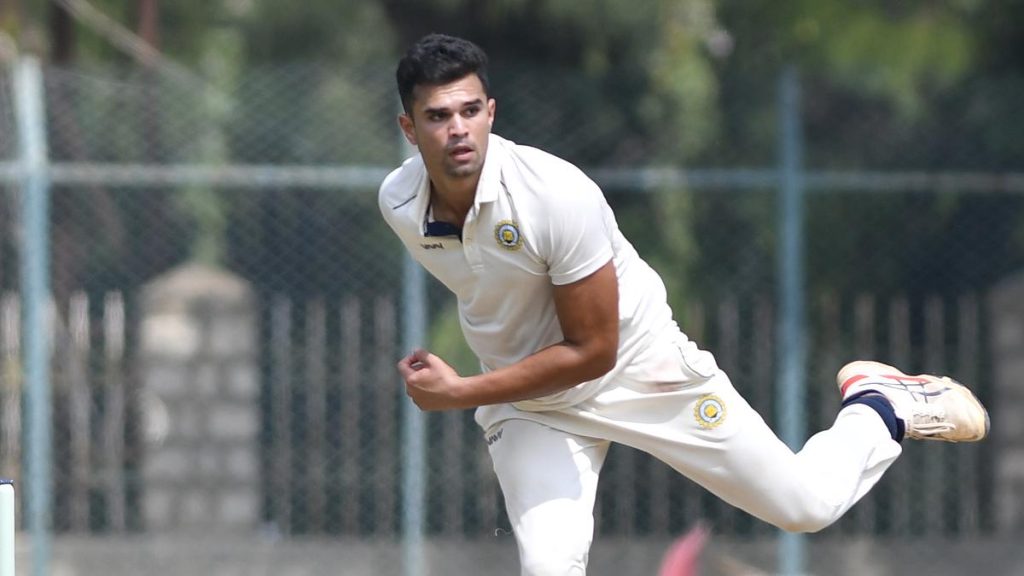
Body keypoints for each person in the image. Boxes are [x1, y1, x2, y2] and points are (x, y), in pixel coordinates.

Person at [378, 33, 990, 576]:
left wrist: (463, 392)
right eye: (437, 116)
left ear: (491, 112)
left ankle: (880, 405)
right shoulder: (400, 203)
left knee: (806, 507)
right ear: (410, 128)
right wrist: (494, 387)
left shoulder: (556, 196)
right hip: (532, 402)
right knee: (548, 564)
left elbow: (593, 351)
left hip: (640, 369)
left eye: (469, 111)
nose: (457, 129)